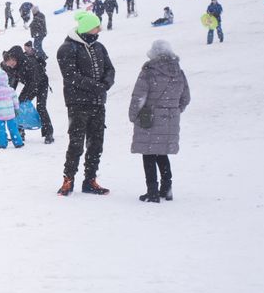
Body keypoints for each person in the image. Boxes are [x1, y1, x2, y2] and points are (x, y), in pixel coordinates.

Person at [56, 11, 114, 196]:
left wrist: (106, 83)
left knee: (96, 143)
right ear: (87, 28)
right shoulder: (67, 48)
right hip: (78, 103)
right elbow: (71, 76)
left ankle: (90, 180)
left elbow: (110, 68)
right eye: (97, 26)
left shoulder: (99, 47)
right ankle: (68, 179)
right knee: (76, 143)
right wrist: (96, 86)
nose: (100, 29)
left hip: (98, 103)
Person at [127, 40, 190, 203]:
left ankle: (152, 192)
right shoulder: (178, 71)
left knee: (148, 154)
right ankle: (166, 189)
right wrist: (174, 111)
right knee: (162, 154)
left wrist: (134, 116)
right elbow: (185, 97)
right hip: (170, 120)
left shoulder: (149, 71)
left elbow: (138, 97)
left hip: (150, 118)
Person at [15, 42, 54, 144]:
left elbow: (34, 80)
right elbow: (14, 80)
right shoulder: (17, 64)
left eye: (27, 47)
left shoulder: (29, 60)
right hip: (31, 84)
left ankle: (49, 133)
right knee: (19, 105)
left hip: (42, 84)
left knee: (41, 107)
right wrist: (11, 93)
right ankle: (20, 132)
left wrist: (24, 96)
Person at [0, 63, 23, 149]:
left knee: (1, 130)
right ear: (6, 80)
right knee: (13, 128)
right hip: (10, 114)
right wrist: (17, 109)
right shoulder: (11, 90)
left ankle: (2, 143)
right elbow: (15, 101)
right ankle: (18, 142)